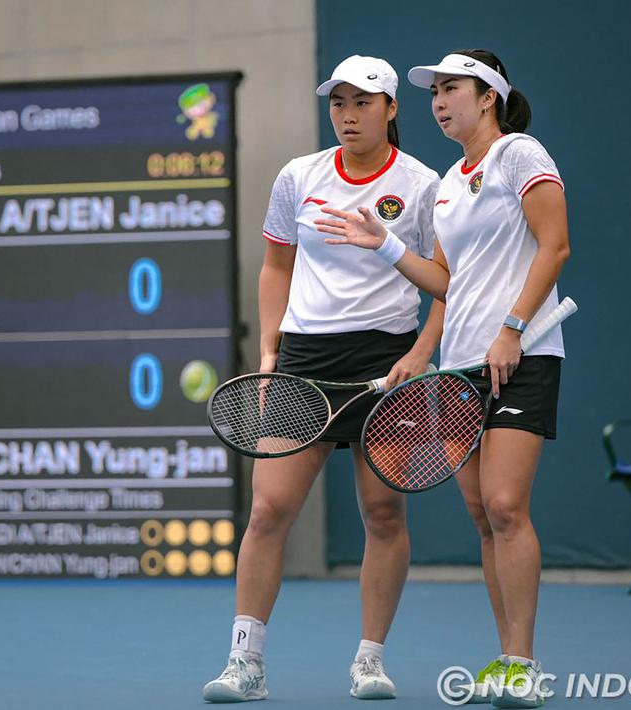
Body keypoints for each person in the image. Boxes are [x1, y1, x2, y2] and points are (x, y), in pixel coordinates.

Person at [314, 49, 570, 709]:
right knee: (483, 517)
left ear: (487, 97)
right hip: (461, 368)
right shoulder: (450, 182)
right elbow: (446, 283)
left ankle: (525, 665)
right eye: (434, 92)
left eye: (452, 89)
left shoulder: (519, 155)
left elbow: (555, 246)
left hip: (522, 356)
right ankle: (505, 658)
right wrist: (386, 246)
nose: (439, 102)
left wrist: (512, 328)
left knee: (506, 506)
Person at [202, 54, 444, 703]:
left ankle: (369, 661)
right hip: (305, 362)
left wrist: (422, 351)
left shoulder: (423, 185)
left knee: (384, 513)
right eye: (338, 102)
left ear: (391, 109)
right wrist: (269, 353)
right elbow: (275, 265)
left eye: (362, 102)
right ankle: (245, 663)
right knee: (268, 510)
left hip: (386, 361)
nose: (347, 115)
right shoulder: (298, 176)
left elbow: (447, 283)